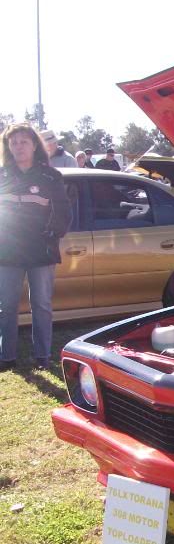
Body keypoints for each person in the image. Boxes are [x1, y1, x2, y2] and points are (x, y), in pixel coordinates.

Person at [0, 124, 72, 370]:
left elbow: (63, 213)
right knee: (7, 306)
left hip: (41, 252)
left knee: (41, 305)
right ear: (8, 147)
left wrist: (51, 234)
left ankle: (42, 356)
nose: (18, 147)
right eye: (14, 142)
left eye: (24, 142)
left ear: (34, 146)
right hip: (7, 253)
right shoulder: (2, 175)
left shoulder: (51, 177)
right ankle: (6, 357)